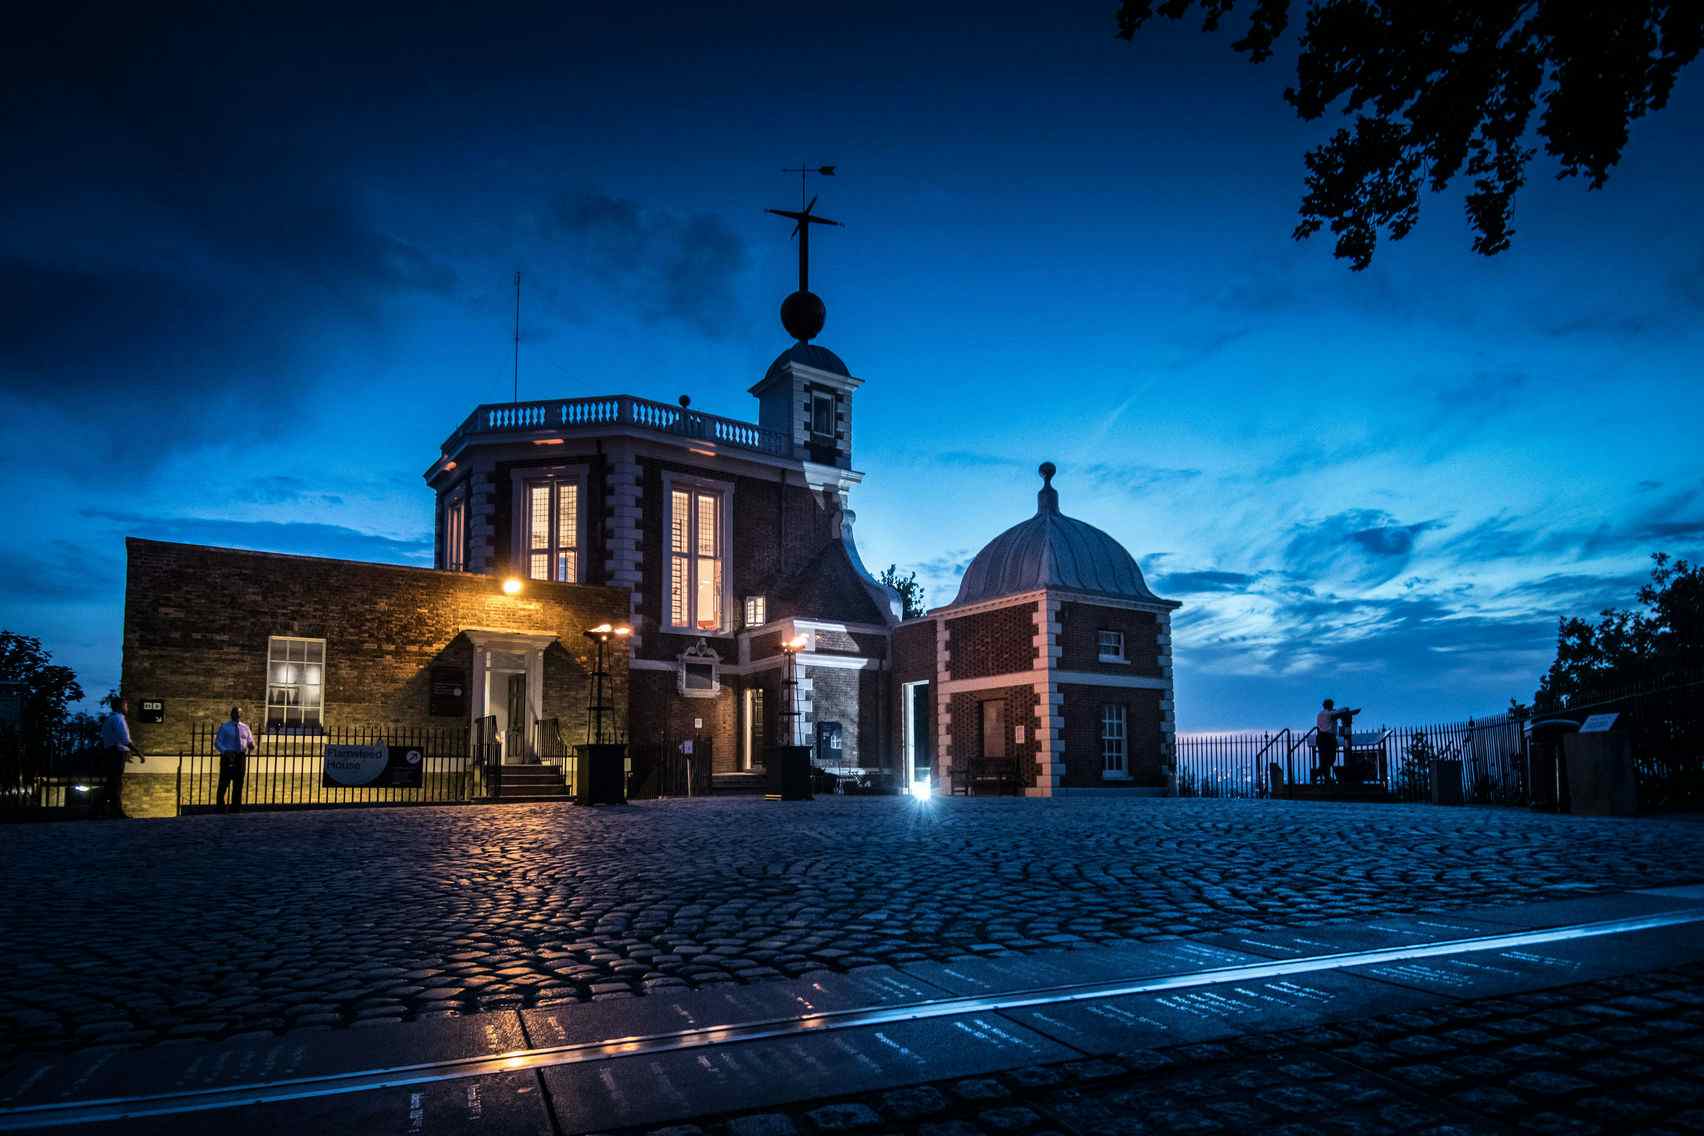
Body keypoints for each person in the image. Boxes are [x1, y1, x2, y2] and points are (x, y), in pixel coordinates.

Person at [97, 696, 145, 818]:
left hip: (111, 752)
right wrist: (138, 752)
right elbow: (124, 739)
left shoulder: (110, 719)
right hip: (116, 753)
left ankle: (103, 809)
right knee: (116, 783)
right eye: (126, 705)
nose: (127, 708)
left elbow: (110, 738)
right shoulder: (118, 719)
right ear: (120, 706)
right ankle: (114, 811)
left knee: (112, 782)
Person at [214, 706, 256, 813]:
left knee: (238, 784)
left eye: (239, 713)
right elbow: (217, 743)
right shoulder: (225, 727)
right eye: (235, 713)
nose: (237, 715)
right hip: (228, 757)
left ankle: (235, 807)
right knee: (224, 783)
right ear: (231, 714)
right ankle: (221, 807)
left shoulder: (245, 727)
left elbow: (250, 741)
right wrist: (225, 751)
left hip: (240, 757)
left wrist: (251, 745)